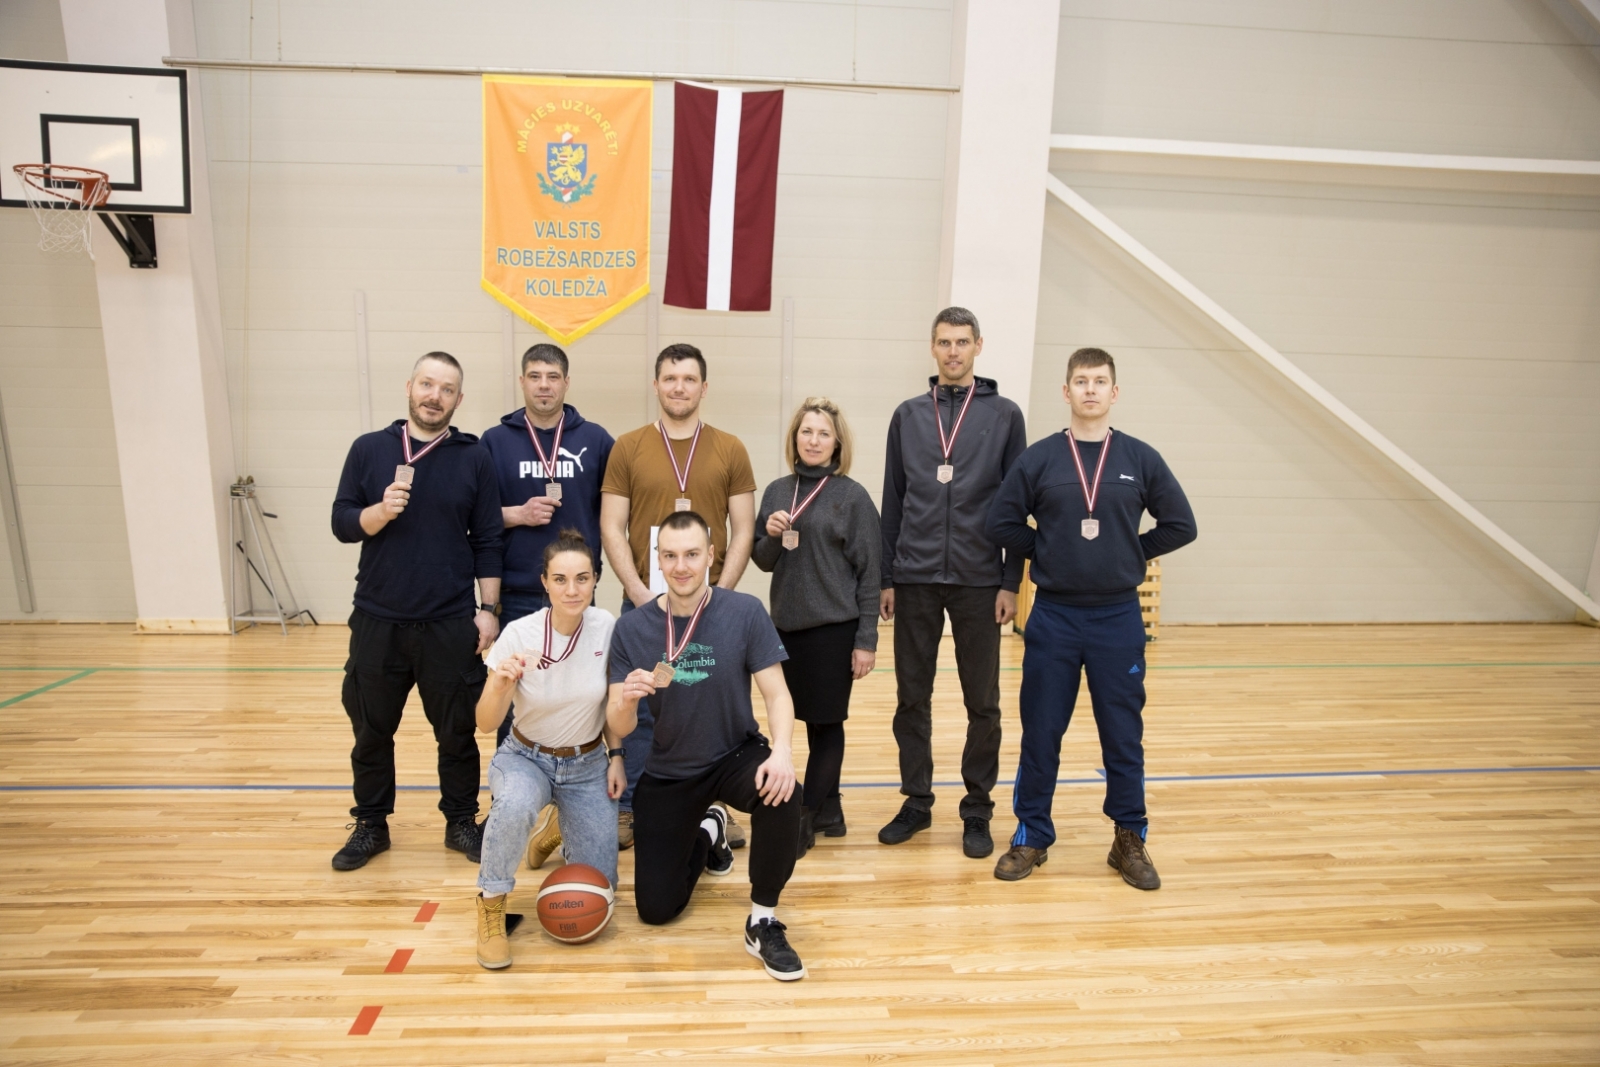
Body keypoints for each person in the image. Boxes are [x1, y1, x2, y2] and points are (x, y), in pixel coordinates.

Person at [985, 347, 1197, 887]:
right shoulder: (1039, 458)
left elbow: (1181, 524)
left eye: (1100, 381)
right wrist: (1047, 549)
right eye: (1081, 381)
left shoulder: (1140, 458)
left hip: (1117, 618)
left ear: (1114, 393)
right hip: (1054, 616)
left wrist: (1130, 552)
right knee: (1042, 732)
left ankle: (1130, 836)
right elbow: (1000, 521)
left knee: (1123, 734)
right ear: (1066, 392)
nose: (1090, 390)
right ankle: (1032, 834)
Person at [606, 511, 806, 981]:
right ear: (657, 560)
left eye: (692, 554)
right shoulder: (631, 629)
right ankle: (708, 832)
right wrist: (627, 700)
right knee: (656, 909)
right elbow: (616, 722)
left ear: (711, 556)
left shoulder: (744, 611)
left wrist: (782, 752)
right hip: (670, 769)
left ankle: (763, 918)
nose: (681, 566)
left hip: (733, 754)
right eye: (670, 556)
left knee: (785, 792)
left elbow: (777, 694)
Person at [329, 351, 503, 870]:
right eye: (427, 384)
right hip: (378, 619)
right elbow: (341, 523)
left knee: (456, 731)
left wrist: (488, 608)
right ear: (410, 386)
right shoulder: (369, 450)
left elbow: (489, 540)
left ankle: (460, 822)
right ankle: (371, 826)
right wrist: (379, 512)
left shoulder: (473, 457)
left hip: (448, 621)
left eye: (447, 389)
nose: (435, 396)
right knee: (371, 730)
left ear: (458, 399)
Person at [878, 307, 1027, 860]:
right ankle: (917, 801)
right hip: (914, 577)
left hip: (979, 580)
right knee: (911, 697)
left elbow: (1016, 506)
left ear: (979, 346)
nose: (953, 352)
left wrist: (1010, 580)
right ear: (933, 348)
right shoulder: (908, 415)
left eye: (962, 342)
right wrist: (889, 576)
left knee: (982, 702)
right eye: (944, 342)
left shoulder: (1006, 416)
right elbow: (894, 498)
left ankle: (977, 808)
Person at [600, 343, 757, 851]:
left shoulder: (730, 448)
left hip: (712, 607)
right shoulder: (628, 447)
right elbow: (612, 527)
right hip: (648, 604)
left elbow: (744, 529)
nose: (679, 387)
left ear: (703, 388)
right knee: (640, 705)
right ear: (656, 385)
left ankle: (716, 804)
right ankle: (633, 806)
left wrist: (720, 598)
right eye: (670, 378)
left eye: (689, 379)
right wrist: (643, 595)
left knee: (715, 710)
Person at [481, 343, 614, 866]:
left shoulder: (595, 439)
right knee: (511, 697)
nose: (543, 385)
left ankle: (567, 806)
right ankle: (512, 808)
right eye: (534, 376)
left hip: (577, 589)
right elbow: (473, 514)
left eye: (552, 376)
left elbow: (612, 514)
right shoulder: (495, 441)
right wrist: (515, 514)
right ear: (522, 382)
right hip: (518, 589)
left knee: (582, 695)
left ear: (565, 382)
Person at [471, 529, 627, 969]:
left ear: (596, 579)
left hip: (587, 763)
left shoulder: (608, 627)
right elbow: (484, 724)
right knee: (516, 805)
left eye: (582, 578)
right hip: (526, 758)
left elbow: (613, 705)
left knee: (600, 889)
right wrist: (500, 685)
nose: (572, 590)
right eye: (560, 579)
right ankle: (491, 906)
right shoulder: (519, 635)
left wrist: (616, 757)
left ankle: (556, 829)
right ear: (544, 582)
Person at [752, 398, 880, 854]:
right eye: (807, 432)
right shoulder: (776, 491)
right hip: (785, 629)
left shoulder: (852, 496)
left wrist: (866, 640)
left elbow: (870, 573)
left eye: (823, 433)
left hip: (833, 630)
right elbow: (763, 562)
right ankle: (832, 810)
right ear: (795, 438)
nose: (814, 440)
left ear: (837, 442)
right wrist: (767, 534)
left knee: (826, 725)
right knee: (800, 721)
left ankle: (804, 817)